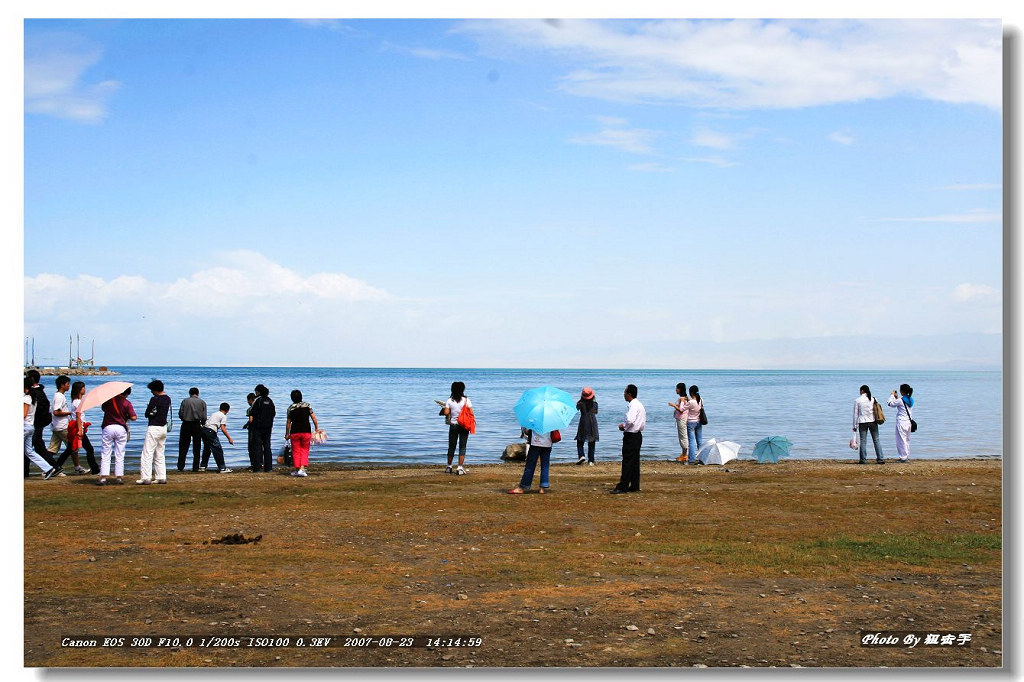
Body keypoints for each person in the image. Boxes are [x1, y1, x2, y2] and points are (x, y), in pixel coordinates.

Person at [48, 375, 88, 474]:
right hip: (62, 426)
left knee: (52, 450)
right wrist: (70, 413)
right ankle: (75, 467)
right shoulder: (59, 396)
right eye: (67, 384)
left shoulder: (57, 395)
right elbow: (56, 412)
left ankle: (49, 468)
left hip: (56, 426)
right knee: (73, 447)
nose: (69, 386)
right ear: (62, 385)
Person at [97, 387, 137, 485]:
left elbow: (103, 408)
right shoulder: (127, 403)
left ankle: (103, 477)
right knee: (120, 453)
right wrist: (126, 417)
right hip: (121, 428)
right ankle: (119, 477)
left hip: (108, 427)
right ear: (127, 393)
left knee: (106, 452)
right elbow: (134, 417)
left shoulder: (108, 401)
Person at [24, 377, 62, 480]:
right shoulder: (33, 398)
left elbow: (23, 414)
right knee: (29, 451)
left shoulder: (26, 398)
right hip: (31, 427)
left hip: (25, 427)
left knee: (29, 451)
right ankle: (49, 468)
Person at [611, 384, 646, 494]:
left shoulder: (633, 405)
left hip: (631, 435)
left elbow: (630, 420)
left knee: (627, 461)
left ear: (629, 394)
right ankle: (635, 484)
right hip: (638, 435)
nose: (624, 394)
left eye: (625, 392)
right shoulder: (639, 405)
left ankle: (623, 486)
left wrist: (624, 426)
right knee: (634, 461)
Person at [58, 381, 99, 475]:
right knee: (89, 449)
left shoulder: (77, 401)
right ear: (79, 390)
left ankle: (57, 466)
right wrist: (80, 430)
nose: (85, 389)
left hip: (77, 427)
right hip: (78, 427)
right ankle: (95, 469)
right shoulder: (78, 402)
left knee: (70, 449)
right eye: (83, 387)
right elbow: (78, 416)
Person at [137, 379, 171, 484]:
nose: (151, 392)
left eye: (152, 390)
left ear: (155, 390)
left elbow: (147, 414)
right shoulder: (167, 399)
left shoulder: (154, 399)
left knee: (147, 453)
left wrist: (149, 407)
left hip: (154, 427)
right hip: (163, 427)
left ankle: (146, 477)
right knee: (160, 452)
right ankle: (161, 476)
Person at [507, 429, 557, 494]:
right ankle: (543, 487)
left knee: (530, 466)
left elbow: (527, 432)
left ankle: (522, 487)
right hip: (547, 443)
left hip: (535, 443)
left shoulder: (533, 419)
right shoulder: (551, 419)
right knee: (545, 466)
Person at [285, 390, 319, 477]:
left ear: (292, 398)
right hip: (306, 431)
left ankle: (297, 469)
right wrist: (316, 428)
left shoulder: (290, 408)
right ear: (301, 397)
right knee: (305, 450)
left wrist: (287, 434)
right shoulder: (307, 406)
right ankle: (302, 469)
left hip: (295, 432)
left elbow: (288, 422)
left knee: (296, 451)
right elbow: (313, 417)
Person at [442, 381, 471, 476]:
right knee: (462, 447)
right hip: (464, 425)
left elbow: (446, 413)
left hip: (453, 425)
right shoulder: (466, 400)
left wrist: (446, 409)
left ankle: (449, 467)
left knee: (451, 446)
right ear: (463, 389)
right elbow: (471, 413)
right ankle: (459, 468)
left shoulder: (450, 400)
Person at [853, 385, 885, 464]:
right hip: (873, 421)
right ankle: (880, 458)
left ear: (862, 391)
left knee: (863, 441)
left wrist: (854, 425)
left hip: (862, 421)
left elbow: (855, 414)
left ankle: (863, 459)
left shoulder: (858, 400)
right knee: (876, 440)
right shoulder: (874, 399)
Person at [177, 387, 207, 471]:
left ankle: (180, 466)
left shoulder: (185, 401)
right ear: (198, 393)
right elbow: (204, 416)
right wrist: (203, 423)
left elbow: (180, 413)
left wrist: (184, 418)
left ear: (190, 393)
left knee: (183, 446)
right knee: (197, 447)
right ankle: (195, 467)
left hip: (186, 424)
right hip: (197, 425)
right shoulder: (202, 402)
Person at [200, 403, 233, 473]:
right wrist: (229, 438)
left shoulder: (214, 413)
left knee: (207, 448)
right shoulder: (223, 416)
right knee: (218, 449)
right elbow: (223, 428)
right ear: (228, 410)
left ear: (219, 408)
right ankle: (222, 468)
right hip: (211, 431)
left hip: (204, 430)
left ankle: (203, 466)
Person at [250, 384, 276, 472]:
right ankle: (268, 467)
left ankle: (256, 467)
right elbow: (273, 413)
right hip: (268, 426)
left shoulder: (258, 401)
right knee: (267, 446)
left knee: (257, 447)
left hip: (258, 427)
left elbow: (252, 413)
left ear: (259, 392)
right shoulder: (270, 401)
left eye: (256, 391)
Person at [887, 384, 915, 462]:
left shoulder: (900, 400)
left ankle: (903, 457)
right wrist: (897, 398)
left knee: (900, 440)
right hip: (909, 422)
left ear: (902, 391)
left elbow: (890, 403)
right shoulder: (910, 399)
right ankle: (906, 455)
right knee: (907, 439)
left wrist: (892, 396)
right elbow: (901, 403)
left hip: (901, 422)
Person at [574, 387, 599, 466]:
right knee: (592, 442)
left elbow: (575, 409)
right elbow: (596, 412)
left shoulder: (580, 403)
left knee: (580, 440)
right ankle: (591, 460)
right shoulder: (595, 404)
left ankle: (581, 455)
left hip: (583, 422)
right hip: (592, 423)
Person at [668, 382, 689, 463]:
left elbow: (681, 409)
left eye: (676, 388)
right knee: (682, 436)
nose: (675, 390)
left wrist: (673, 405)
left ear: (680, 389)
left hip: (681, 419)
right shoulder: (685, 398)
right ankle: (683, 454)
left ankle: (684, 455)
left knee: (682, 436)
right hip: (681, 419)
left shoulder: (682, 399)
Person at [684, 385, 704, 464]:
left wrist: (674, 405)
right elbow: (694, 405)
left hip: (691, 423)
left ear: (691, 393)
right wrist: (689, 400)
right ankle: (702, 458)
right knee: (699, 441)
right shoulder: (701, 400)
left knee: (691, 442)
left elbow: (682, 409)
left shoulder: (691, 402)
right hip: (699, 422)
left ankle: (691, 459)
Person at [243, 392, 260, 472]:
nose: (248, 402)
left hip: (253, 429)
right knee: (260, 446)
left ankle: (253, 464)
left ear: (250, 400)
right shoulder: (260, 407)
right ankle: (261, 463)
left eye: (248, 400)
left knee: (251, 447)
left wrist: (246, 425)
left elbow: (250, 420)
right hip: (260, 428)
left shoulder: (250, 409)